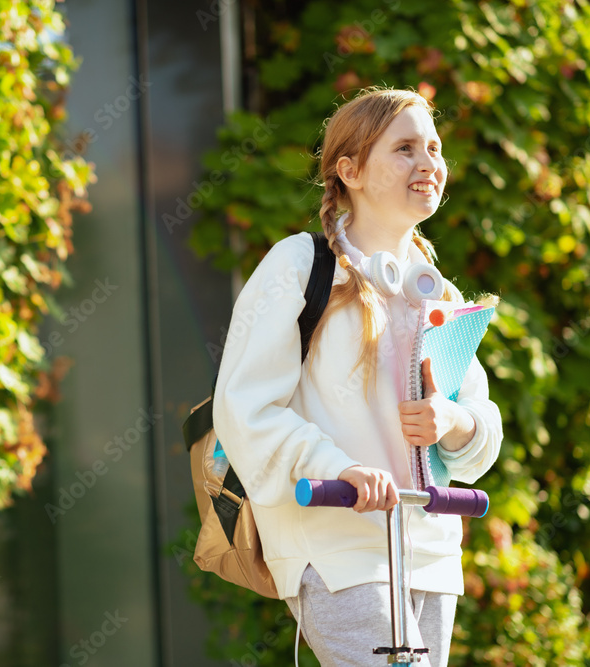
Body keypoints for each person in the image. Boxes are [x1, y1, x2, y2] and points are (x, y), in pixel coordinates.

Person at [211, 87, 503, 666]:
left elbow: (480, 430)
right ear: (350, 171)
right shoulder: (300, 265)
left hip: (431, 557)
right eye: (405, 148)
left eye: (434, 148)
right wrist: (337, 468)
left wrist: (454, 422)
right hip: (336, 545)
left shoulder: (439, 294)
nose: (429, 163)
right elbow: (245, 409)